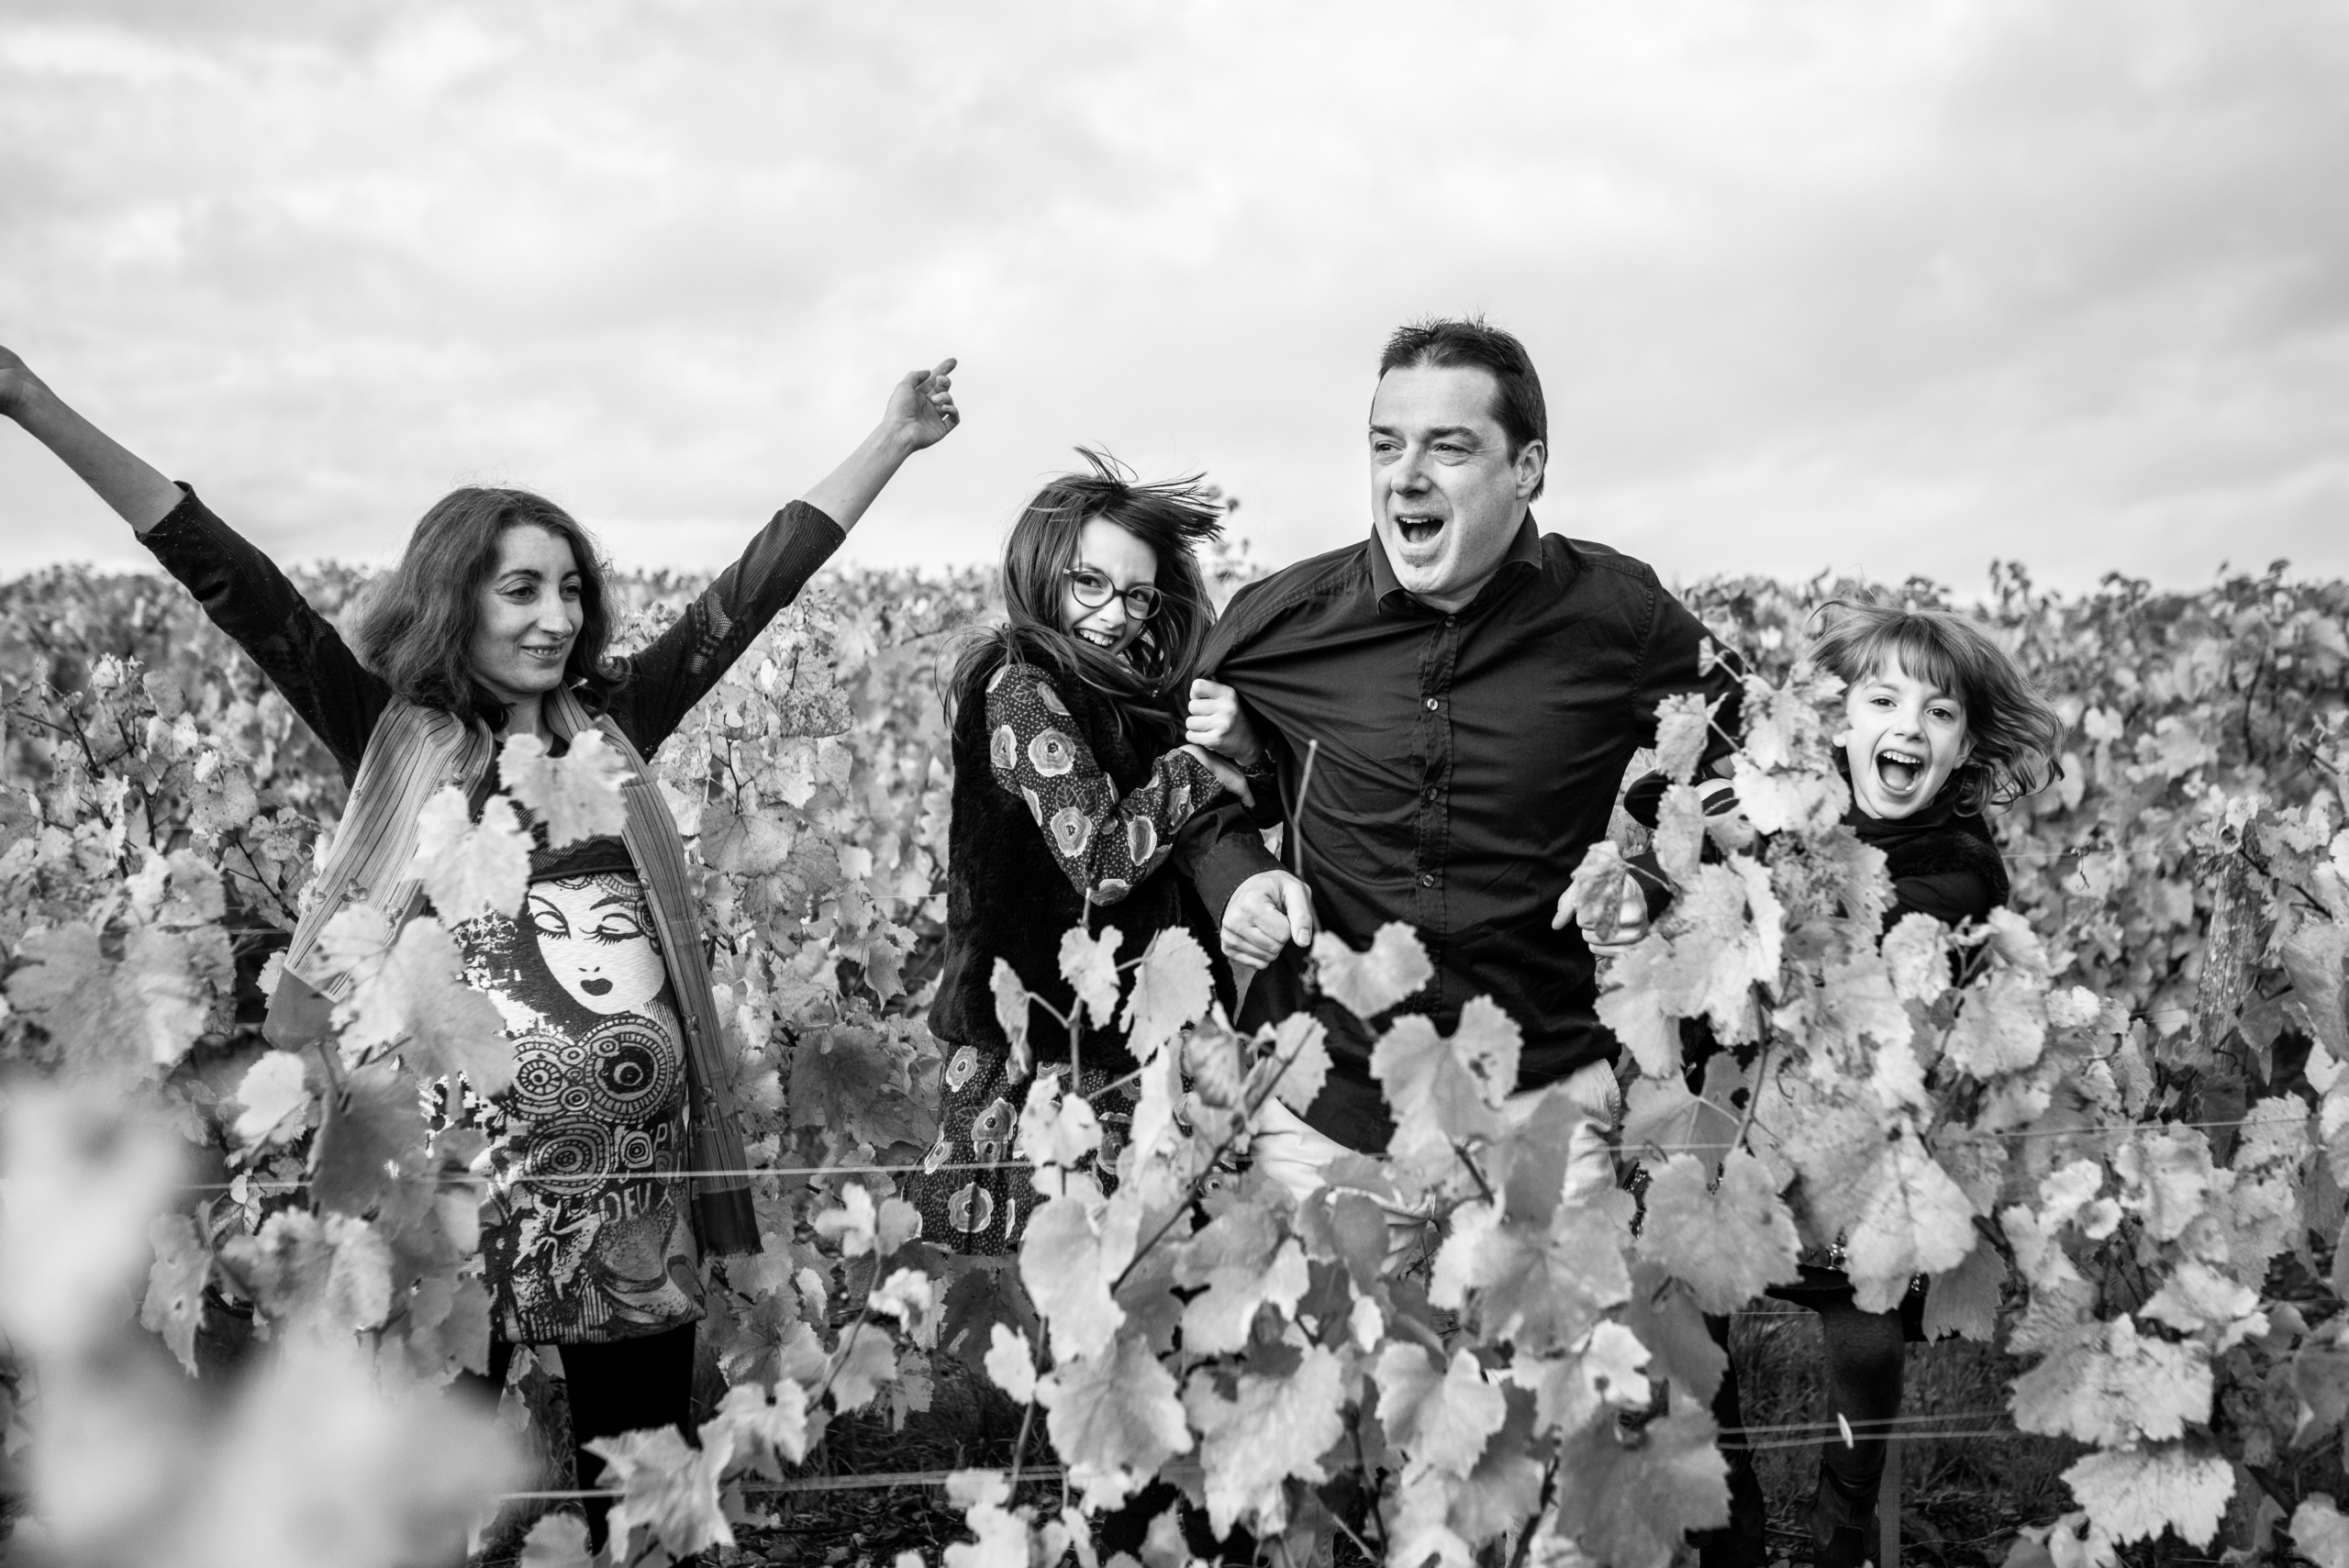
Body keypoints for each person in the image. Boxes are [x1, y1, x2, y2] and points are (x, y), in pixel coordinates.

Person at [0, 344, 959, 1547]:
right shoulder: (389, 738)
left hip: (623, 1203)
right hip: (453, 1201)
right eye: (521, 590)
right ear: (458, 596)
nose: (557, 616)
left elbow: (748, 594)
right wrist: (35, 407)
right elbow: (224, 574)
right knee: (429, 1508)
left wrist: (889, 439)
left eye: (569, 590)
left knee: (639, 1504)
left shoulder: (613, 732)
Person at [1174, 316, 1742, 1206]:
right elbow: (1193, 774)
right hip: (1332, 1105)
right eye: (1385, 444)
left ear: (1526, 469)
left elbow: (1750, 771)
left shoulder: (1618, 620)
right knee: (1326, 1345)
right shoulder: (1280, 621)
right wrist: (1237, 873)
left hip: (1542, 1094)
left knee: (1561, 1346)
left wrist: (1647, 875)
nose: (1405, 474)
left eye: (1447, 447)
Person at [1654, 595, 2063, 1568]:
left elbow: (1863, 927)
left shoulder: (1960, 864)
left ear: (1963, 749)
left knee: (1865, 1336)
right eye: (1882, 700)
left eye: (1937, 712)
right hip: (1745, 1107)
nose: (1906, 728)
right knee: (1684, 1297)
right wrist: (1702, 821)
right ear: (1843, 720)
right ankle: (1730, 1507)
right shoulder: (1794, 794)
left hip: (1864, 1140)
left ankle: (1845, 1512)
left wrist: (1758, 856)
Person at [911, 450, 1260, 1254]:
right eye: (1090, 584)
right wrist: (1197, 770)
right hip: (1051, 1049)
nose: (1117, 614)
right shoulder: (1020, 686)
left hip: (1122, 1035)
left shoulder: (1114, 685)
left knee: (1142, 1286)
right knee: (1057, 1283)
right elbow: (1102, 859)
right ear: (1041, 571)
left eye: (1138, 595)